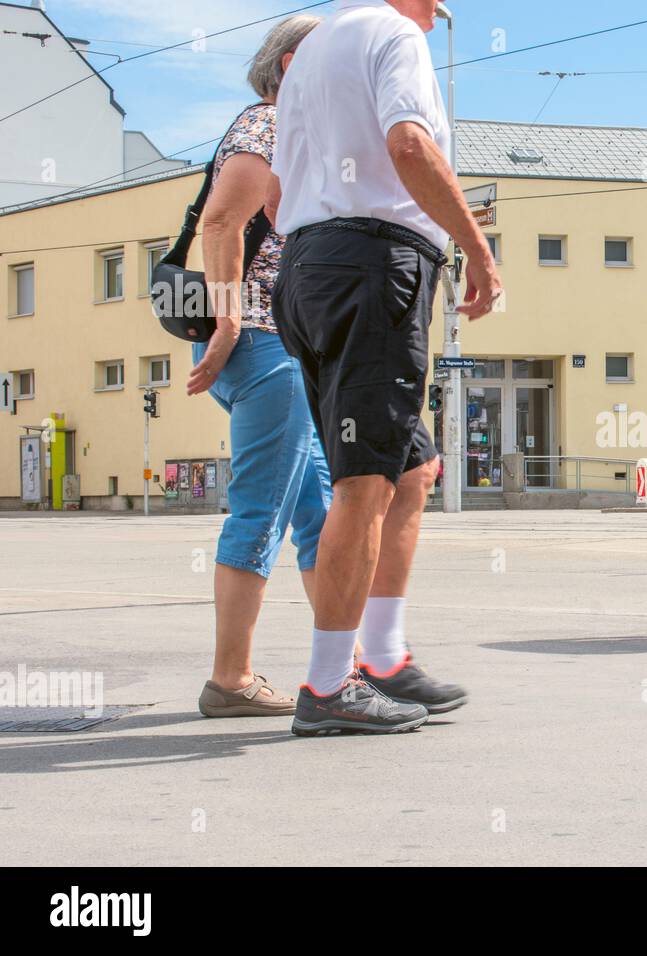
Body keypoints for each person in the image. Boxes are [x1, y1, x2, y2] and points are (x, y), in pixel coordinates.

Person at [269, 0, 503, 734]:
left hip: (314, 264)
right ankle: (330, 683)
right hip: (373, 265)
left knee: (410, 471)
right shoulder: (394, 34)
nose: (440, 11)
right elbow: (410, 145)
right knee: (364, 482)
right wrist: (478, 251)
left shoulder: (310, 51)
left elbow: (279, 195)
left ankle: (383, 657)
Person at [190, 15, 330, 717]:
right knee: (263, 510)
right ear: (295, 61)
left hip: (280, 343)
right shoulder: (268, 124)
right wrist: (227, 321)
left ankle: (345, 666)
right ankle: (232, 680)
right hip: (265, 343)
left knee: (316, 509)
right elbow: (219, 222)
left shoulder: (286, 129)